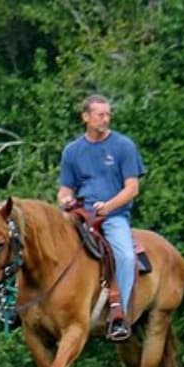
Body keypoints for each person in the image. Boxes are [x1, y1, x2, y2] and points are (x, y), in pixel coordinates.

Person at [57, 94, 145, 342]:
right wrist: (65, 199)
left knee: (126, 257)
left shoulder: (123, 146)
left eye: (108, 114)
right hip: (80, 214)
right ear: (85, 117)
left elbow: (131, 188)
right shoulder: (72, 151)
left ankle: (121, 316)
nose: (105, 119)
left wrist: (108, 207)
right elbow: (65, 188)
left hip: (113, 216)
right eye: (100, 115)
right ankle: (23, 307)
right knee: (47, 244)